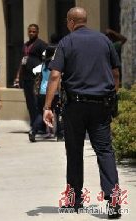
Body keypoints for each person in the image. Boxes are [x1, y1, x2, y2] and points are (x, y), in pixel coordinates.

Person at [43, 7, 121, 218]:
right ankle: (113, 202)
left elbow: (55, 76)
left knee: (74, 152)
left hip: (75, 106)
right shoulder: (104, 41)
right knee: (105, 151)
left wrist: (47, 107)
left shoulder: (66, 43)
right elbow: (115, 73)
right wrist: (113, 97)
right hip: (101, 105)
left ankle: (74, 200)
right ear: (84, 20)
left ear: (70, 21)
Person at [13, 24, 48, 142]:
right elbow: (22, 62)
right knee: (30, 103)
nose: (31, 33)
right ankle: (34, 124)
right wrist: (18, 77)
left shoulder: (41, 44)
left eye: (34, 31)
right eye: (30, 31)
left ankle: (40, 127)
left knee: (36, 102)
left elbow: (47, 59)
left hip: (36, 78)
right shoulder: (26, 45)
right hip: (26, 78)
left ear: (37, 32)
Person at [31, 45, 61, 141]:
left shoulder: (43, 64)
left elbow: (34, 71)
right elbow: (57, 79)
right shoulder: (55, 64)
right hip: (53, 93)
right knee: (58, 112)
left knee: (41, 113)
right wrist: (60, 92)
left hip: (42, 92)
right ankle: (60, 134)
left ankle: (33, 131)